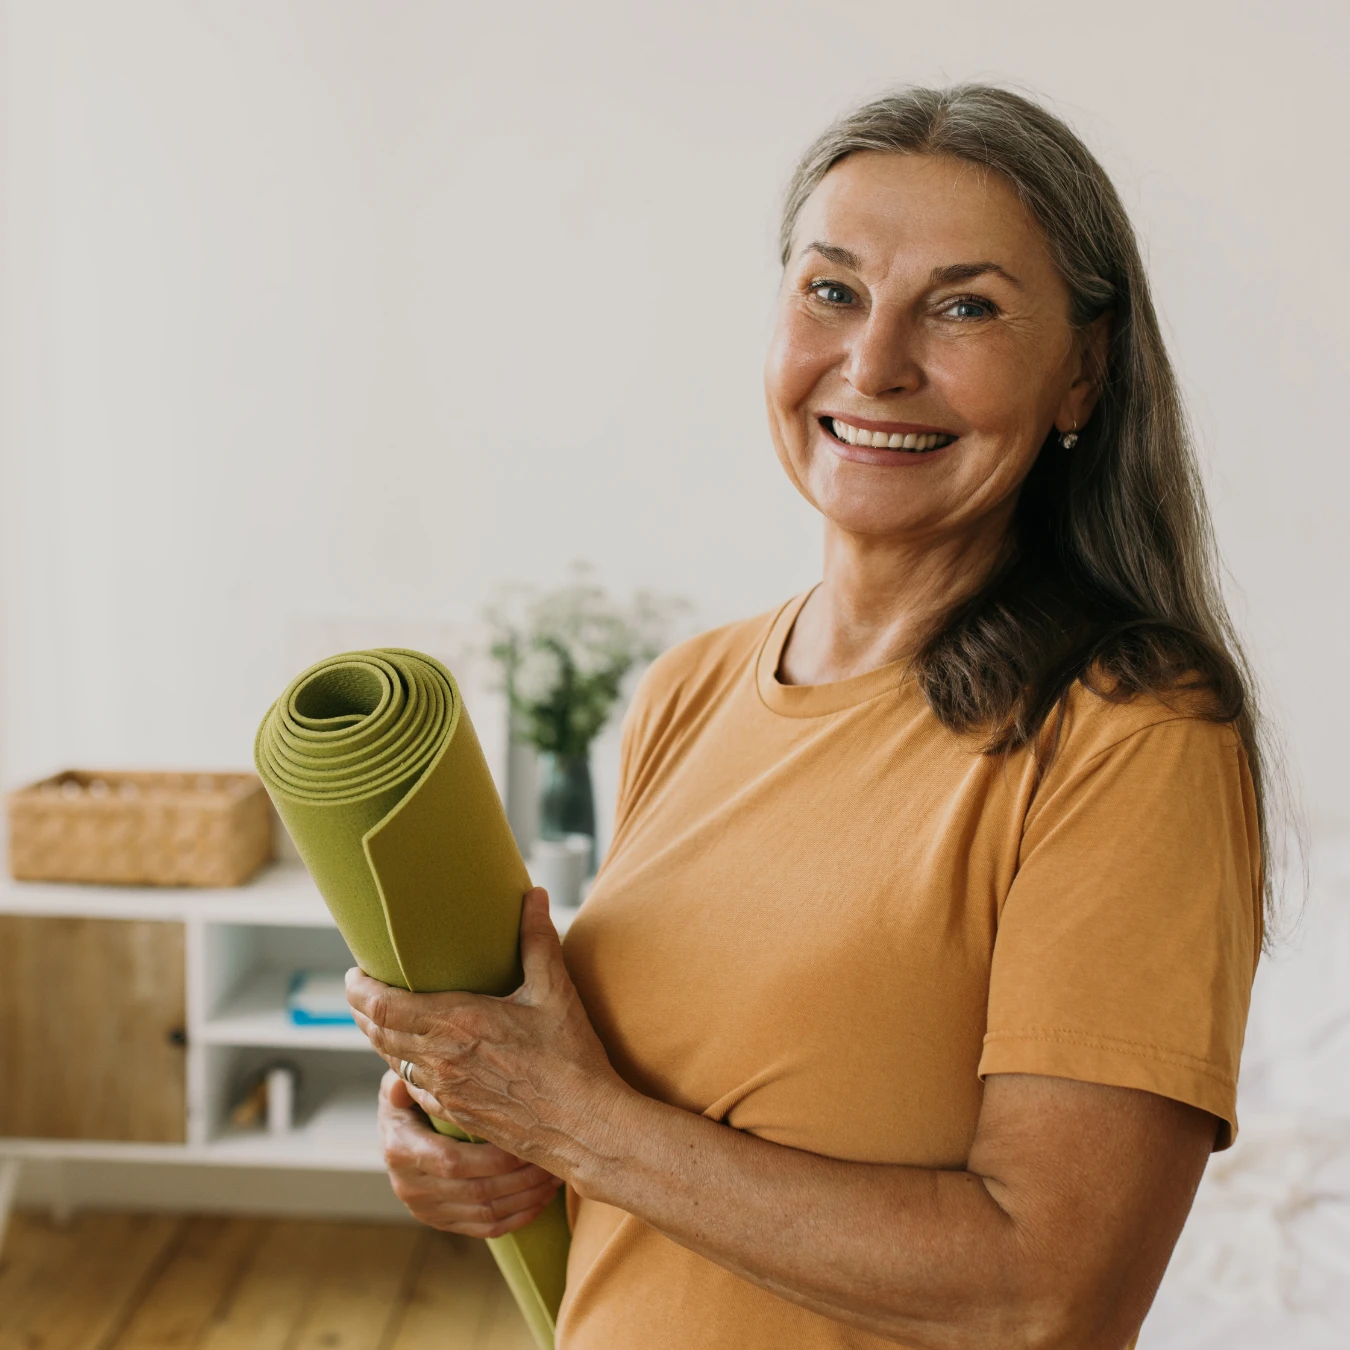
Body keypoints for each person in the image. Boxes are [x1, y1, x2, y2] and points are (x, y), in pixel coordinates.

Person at [346, 85, 1269, 1349]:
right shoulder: (690, 690)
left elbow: (1047, 1295)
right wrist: (484, 1137)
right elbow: (673, 1157)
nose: (876, 363)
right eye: (832, 291)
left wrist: (573, 1120)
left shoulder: (1130, 733)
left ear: (1084, 371)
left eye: (965, 307)